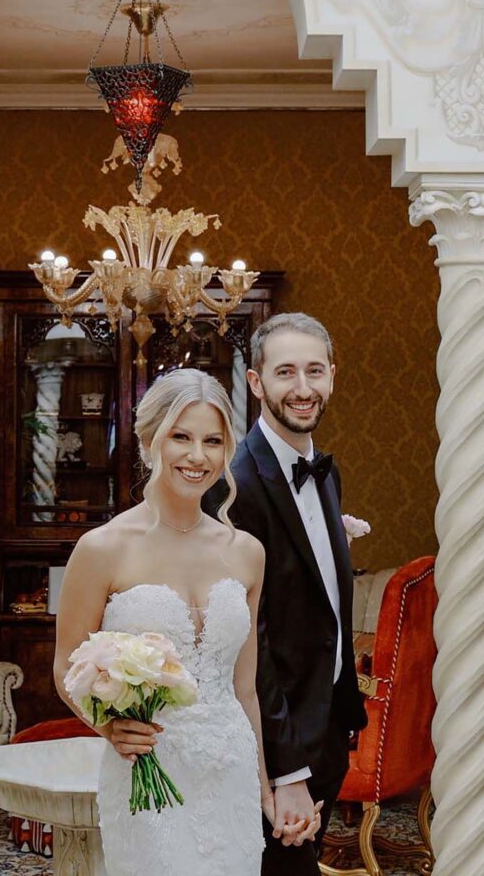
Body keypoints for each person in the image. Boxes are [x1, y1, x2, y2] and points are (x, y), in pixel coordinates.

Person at [53, 368, 322, 876]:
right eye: (181, 437)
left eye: (213, 441)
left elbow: (245, 691)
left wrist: (267, 791)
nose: (197, 456)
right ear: (150, 439)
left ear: (227, 452)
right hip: (148, 769)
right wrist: (109, 727)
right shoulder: (102, 548)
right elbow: (66, 666)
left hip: (230, 772)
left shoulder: (247, 553)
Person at [206, 313, 368, 876]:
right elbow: (249, 640)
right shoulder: (233, 485)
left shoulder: (324, 470)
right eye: (285, 373)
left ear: (332, 377)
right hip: (276, 740)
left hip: (327, 725)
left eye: (314, 371)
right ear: (256, 383)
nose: (303, 388)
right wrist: (286, 770)